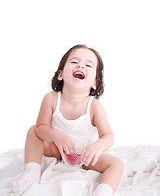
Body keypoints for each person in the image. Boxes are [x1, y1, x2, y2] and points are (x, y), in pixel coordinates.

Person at [9, 44, 124, 196]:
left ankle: (103, 191)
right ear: (60, 74)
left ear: (94, 83)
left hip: (86, 156)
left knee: (117, 164)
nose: (81, 65)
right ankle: (32, 171)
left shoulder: (94, 107)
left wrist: (98, 146)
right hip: (59, 150)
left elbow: (108, 136)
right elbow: (40, 128)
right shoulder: (51, 99)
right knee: (32, 131)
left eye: (88, 65)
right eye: (75, 62)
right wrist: (57, 136)